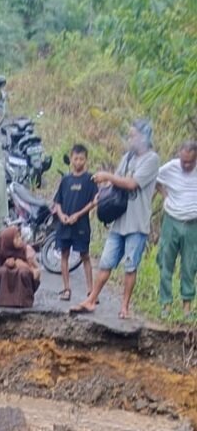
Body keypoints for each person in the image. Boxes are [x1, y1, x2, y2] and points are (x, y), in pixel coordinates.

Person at [71, 119, 159, 319]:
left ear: (144, 137)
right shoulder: (127, 157)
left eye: (133, 135)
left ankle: (125, 307)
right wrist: (101, 193)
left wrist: (108, 176)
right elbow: (116, 182)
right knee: (106, 262)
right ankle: (91, 299)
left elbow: (131, 184)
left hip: (137, 223)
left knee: (130, 266)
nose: (130, 139)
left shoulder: (152, 160)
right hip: (120, 221)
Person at [156, 140, 197, 319]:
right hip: (171, 221)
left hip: (192, 223)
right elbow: (155, 179)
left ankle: (187, 307)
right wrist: (165, 195)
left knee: (190, 265)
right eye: (183, 161)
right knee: (166, 262)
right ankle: (166, 304)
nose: (186, 165)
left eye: (190, 162)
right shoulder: (171, 168)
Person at [53, 144, 99, 301]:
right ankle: (66, 289)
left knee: (84, 255)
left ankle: (91, 292)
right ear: (71, 159)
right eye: (76, 158)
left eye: (81, 159)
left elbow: (94, 201)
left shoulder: (90, 180)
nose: (78, 162)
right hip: (65, 224)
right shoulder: (65, 179)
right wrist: (61, 215)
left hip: (81, 225)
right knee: (64, 254)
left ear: (86, 160)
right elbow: (57, 202)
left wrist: (78, 215)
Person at [0, 225, 41, 308]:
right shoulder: (3, 251)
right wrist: (6, 263)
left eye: (20, 237)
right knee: (3, 271)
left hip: (26, 272)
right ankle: (4, 299)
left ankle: (23, 300)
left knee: (22, 272)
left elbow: (37, 271)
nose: (20, 240)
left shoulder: (26, 249)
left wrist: (22, 265)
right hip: (7, 271)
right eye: (16, 238)